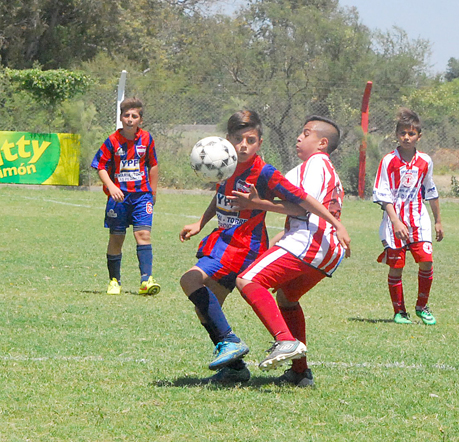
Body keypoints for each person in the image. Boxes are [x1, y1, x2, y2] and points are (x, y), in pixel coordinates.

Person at [179, 110, 346, 384]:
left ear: (260, 142)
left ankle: (241, 341)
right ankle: (237, 367)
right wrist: (200, 222)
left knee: (191, 280)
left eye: (250, 140)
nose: (243, 145)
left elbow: (303, 201)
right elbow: (222, 196)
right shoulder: (226, 163)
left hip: (242, 245)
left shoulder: (266, 172)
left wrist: (335, 223)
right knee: (208, 309)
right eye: (237, 139)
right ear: (228, 140)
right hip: (224, 240)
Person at [230, 115, 350, 387]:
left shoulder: (316, 163)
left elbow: (302, 206)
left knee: (247, 280)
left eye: (305, 133)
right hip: (325, 248)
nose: (299, 137)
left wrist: (259, 203)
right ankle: (300, 373)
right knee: (286, 298)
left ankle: (284, 340)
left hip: (311, 240)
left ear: (321, 143)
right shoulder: (317, 167)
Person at [372, 108, 443, 325]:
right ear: (396, 134)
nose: (406, 137)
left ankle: (422, 307)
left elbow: (430, 190)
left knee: (426, 262)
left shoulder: (425, 161)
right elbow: (382, 193)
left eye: (411, 134)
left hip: (418, 219)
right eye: (402, 133)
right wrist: (395, 221)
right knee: (397, 266)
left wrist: (438, 220)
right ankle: (399, 311)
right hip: (395, 220)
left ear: (418, 137)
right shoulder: (388, 161)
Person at [92, 97, 160, 296]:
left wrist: (153, 192)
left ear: (140, 119)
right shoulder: (112, 141)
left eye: (134, 116)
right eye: (126, 115)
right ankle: (114, 281)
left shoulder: (147, 139)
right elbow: (100, 166)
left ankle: (146, 280)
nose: (130, 119)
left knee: (143, 235)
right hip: (118, 198)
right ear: (121, 118)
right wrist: (111, 187)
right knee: (116, 238)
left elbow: (153, 164)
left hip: (141, 196)